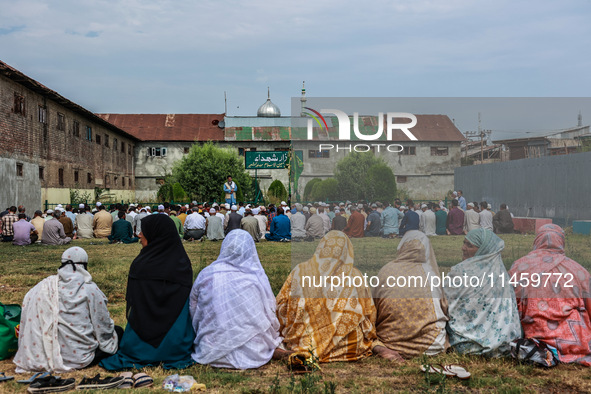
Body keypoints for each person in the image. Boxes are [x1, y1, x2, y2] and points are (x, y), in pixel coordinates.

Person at [276, 231, 399, 362]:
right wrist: (370, 334)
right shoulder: (355, 275)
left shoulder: (299, 271)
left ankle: (303, 350)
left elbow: (282, 304)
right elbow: (369, 311)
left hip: (306, 341)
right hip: (351, 345)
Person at [100, 215, 195, 370]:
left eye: (143, 231)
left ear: (155, 234)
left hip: (139, 343)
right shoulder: (182, 264)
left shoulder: (141, 265)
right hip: (176, 344)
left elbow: (134, 304)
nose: (139, 235)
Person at [14, 247, 120, 372]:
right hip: (80, 359)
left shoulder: (44, 287)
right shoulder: (90, 289)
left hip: (44, 355)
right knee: (118, 331)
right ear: (84, 265)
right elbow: (102, 326)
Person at [190, 230, 282, 369]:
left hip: (211, 350)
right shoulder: (255, 276)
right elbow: (270, 310)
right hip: (254, 352)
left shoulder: (207, 274)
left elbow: (193, 309)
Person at [509, 224, 591, 366]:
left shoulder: (519, 266)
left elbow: (511, 304)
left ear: (537, 240)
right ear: (561, 242)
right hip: (574, 341)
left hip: (533, 335)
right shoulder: (578, 270)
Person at [443, 228, 521, 356]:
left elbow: (444, 305)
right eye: (464, 243)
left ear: (483, 249)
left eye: (469, 245)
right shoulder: (501, 274)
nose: (463, 248)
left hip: (466, 344)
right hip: (504, 345)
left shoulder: (460, 272)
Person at [374, 231, 449, 359]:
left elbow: (375, 308)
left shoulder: (386, 270)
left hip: (390, 343)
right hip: (431, 347)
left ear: (401, 247)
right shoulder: (430, 273)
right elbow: (444, 308)